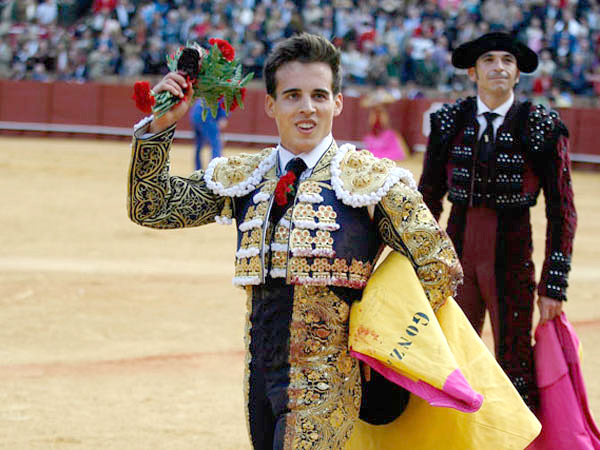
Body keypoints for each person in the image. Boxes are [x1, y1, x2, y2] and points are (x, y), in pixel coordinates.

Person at [127, 33, 461, 449]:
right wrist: (160, 128)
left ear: (337, 103)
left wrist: (385, 342)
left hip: (330, 381)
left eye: (319, 95)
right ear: (271, 104)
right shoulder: (246, 176)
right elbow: (152, 207)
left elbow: (439, 265)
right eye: (292, 95)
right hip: (259, 379)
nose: (307, 108)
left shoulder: (372, 180)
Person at [418, 31, 577, 410]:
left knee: (515, 361)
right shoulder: (448, 121)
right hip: (455, 256)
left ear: (519, 73)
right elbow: (428, 198)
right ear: (473, 72)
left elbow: (562, 210)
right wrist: (419, 262)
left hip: (512, 255)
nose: (499, 68)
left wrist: (553, 284)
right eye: (489, 60)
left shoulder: (541, 125)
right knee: (450, 357)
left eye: (508, 60)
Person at [189, 98, 228, 170]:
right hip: (206, 117)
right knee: (216, 144)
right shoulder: (223, 96)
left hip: (194, 115)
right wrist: (219, 136)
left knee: (198, 145)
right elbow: (222, 122)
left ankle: (197, 170)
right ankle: (214, 170)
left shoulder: (209, 92)